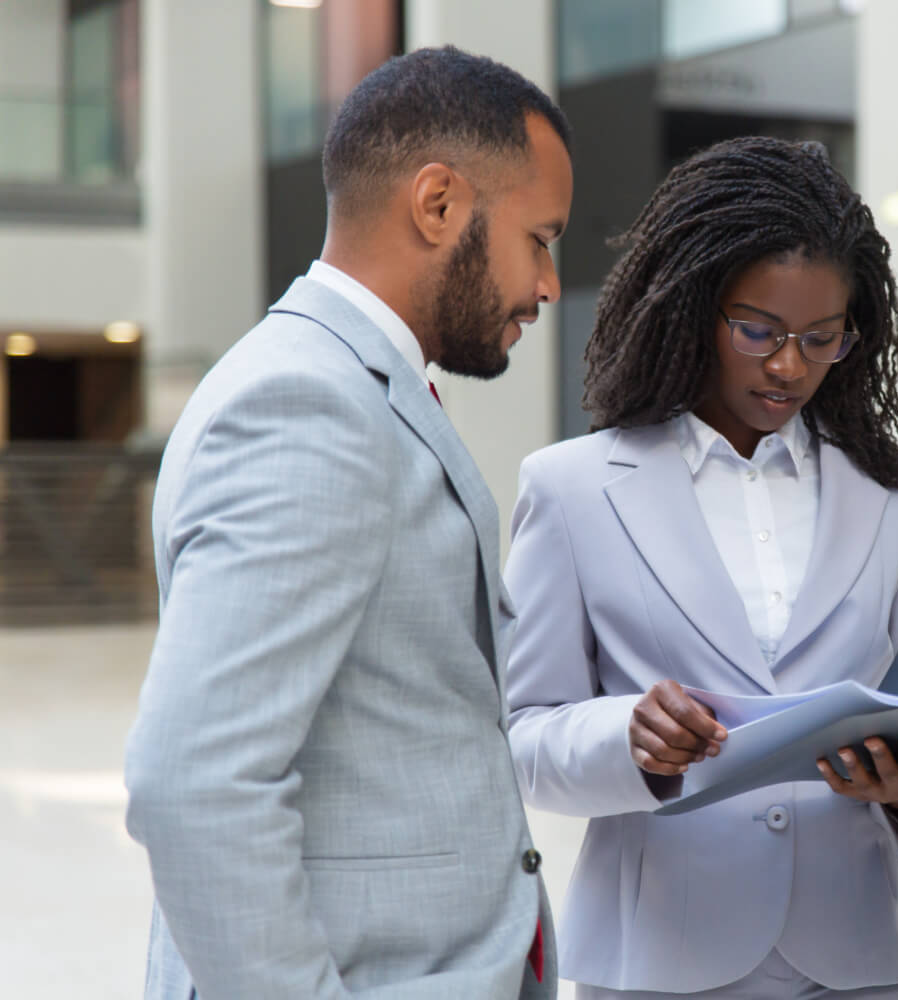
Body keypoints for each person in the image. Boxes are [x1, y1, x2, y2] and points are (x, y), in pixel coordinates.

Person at [123, 46, 573, 999]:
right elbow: (195, 784)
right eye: (541, 239)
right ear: (439, 203)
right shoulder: (305, 403)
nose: (548, 286)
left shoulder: (349, 383)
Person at [503, 136, 898, 998]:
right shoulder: (571, 489)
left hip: (867, 961)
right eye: (759, 330)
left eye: (821, 337)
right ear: (692, 307)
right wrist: (627, 739)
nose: (789, 365)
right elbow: (525, 732)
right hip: (661, 958)